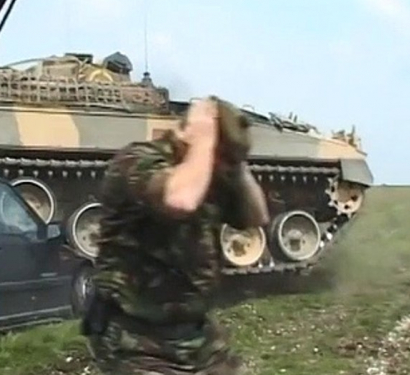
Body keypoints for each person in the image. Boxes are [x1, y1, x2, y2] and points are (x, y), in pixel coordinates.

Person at [83, 96, 270, 375]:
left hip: (196, 334)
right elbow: (180, 200)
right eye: (223, 158)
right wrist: (204, 141)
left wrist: (236, 162)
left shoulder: (210, 170)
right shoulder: (138, 160)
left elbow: (256, 218)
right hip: (135, 338)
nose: (223, 168)